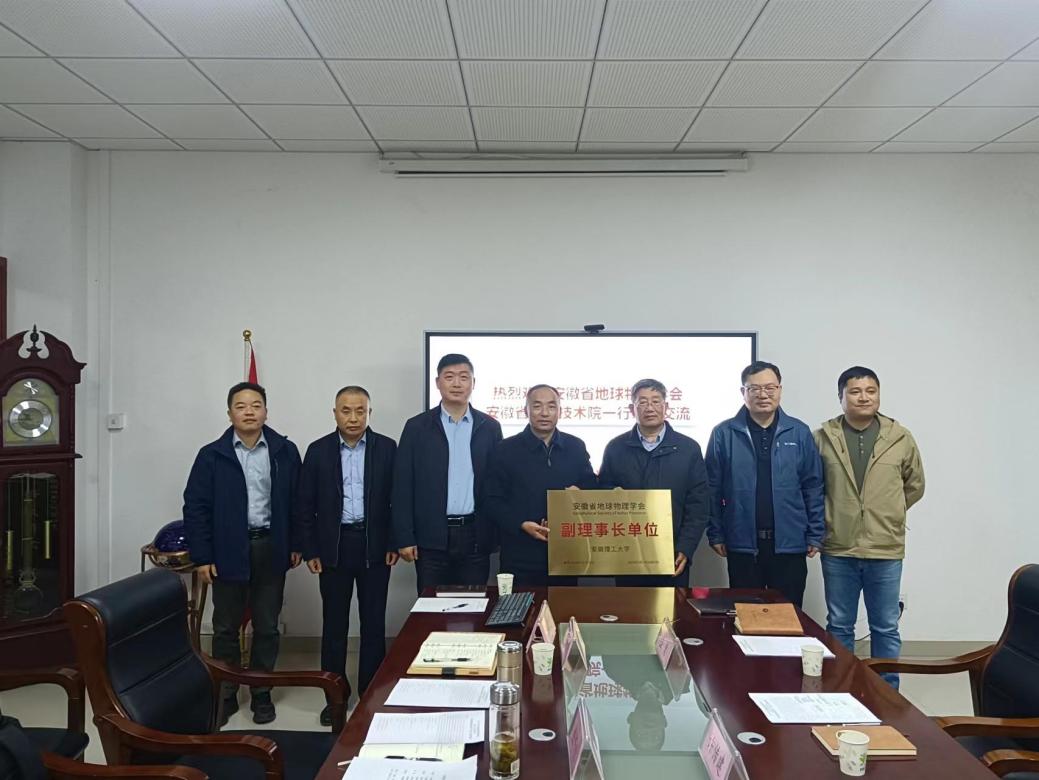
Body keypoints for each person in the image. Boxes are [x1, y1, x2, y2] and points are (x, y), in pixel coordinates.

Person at [182, 382, 302, 726]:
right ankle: (227, 693)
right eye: (241, 406)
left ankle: (261, 693)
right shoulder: (211, 455)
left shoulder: (284, 451)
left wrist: (296, 544)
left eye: (256, 405)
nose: (249, 411)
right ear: (229, 413)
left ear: (266, 411)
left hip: (271, 547)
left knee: (267, 626)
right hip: (227, 550)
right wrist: (203, 556)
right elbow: (196, 507)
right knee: (225, 627)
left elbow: (298, 501)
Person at [814, 367, 924, 688]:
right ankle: (840, 690)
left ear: (878, 394)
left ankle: (887, 692)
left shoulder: (900, 438)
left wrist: (887, 513)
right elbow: (812, 487)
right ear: (841, 397)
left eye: (870, 391)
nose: (864, 397)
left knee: (885, 627)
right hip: (839, 546)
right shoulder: (822, 438)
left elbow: (914, 485)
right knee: (839, 625)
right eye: (855, 391)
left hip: (885, 548)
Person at [296, 385, 397, 726]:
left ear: (369, 413)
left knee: (373, 624)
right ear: (335, 413)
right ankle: (335, 697)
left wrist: (393, 543)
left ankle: (370, 694)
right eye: (346, 410)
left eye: (360, 410)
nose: (353, 417)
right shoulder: (318, 451)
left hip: (374, 547)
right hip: (333, 548)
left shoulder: (387, 448)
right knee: (334, 626)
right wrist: (311, 549)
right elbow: (305, 506)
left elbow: (397, 501)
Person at [705, 361, 824, 608]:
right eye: (755, 388)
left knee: (788, 615)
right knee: (747, 615)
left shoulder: (799, 432)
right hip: (742, 543)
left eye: (770, 387)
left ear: (780, 389)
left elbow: (813, 486)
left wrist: (815, 533)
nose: (763, 394)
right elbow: (712, 489)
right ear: (743, 392)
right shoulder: (724, 433)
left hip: (789, 543)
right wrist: (715, 533)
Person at [392, 354, 503, 593]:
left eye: (464, 377)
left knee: (473, 605)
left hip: (475, 536)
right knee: (431, 606)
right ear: (437, 382)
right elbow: (402, 486)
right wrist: (404, 537)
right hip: (431, 536)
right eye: (449, 377)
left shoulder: (489, 427)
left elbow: (497, 484)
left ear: (473, 383)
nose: (456, 383)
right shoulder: (417, 427)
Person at [483, 384, 597, 588]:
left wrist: (580, 494)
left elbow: (591, 487)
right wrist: (521, 524)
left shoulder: (575, 447)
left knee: (564, 607)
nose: (544, 413)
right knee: (519, 607)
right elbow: (491, 500)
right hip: (520, 553)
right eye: (537, 406)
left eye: (551, 406)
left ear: (560, 411)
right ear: (525, 410)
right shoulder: (505, 450)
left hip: (566, 553)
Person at [598, 379, 709, 586]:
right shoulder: (616, 448)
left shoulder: (688, 449)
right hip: (627, 551)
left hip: (672, 552)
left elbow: (699, 504)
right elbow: (602, 493)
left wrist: (686, 547)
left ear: (666, 406)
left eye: (656, 401)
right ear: (632, 409)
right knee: (628, 605)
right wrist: (614, 494)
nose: (650, 408)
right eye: (642, 402)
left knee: (673, 606)